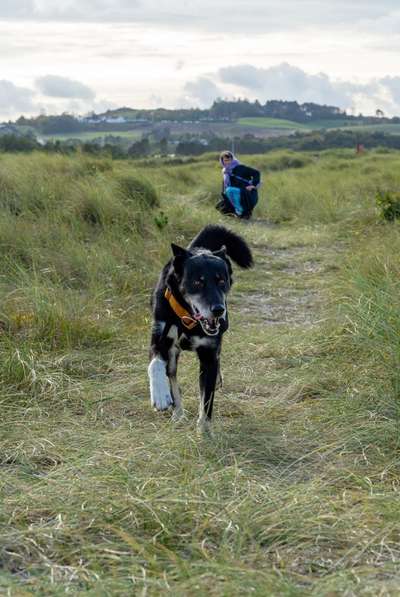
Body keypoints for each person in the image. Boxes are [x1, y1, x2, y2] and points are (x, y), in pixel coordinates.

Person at [216, 150, 261, 219]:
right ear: (222, 161)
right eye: (225, 160)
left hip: (248, 194)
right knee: (220, 207)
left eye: (229, 160)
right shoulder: (226, 173)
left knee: (229, 190)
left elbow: (256, 173)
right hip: (237, 195)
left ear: (232, 159)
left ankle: (240, 211)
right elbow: (224, 190)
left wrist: (253, 185)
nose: (227, 162)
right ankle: (240, 215)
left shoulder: (240, 168)